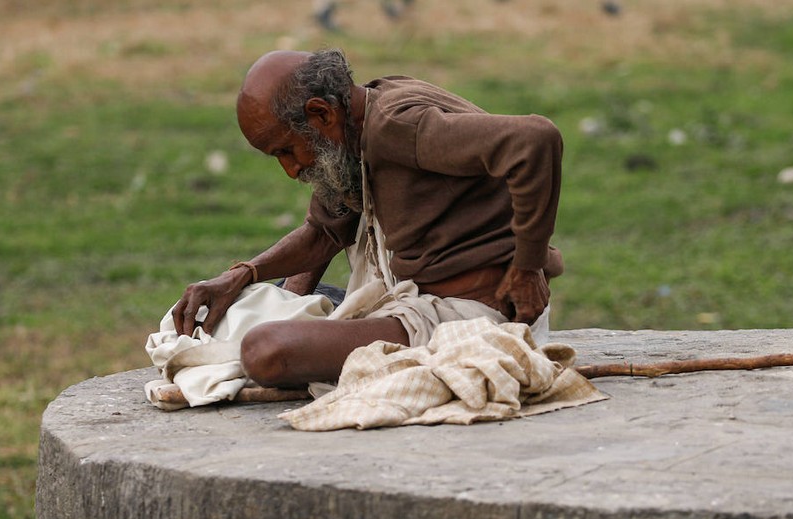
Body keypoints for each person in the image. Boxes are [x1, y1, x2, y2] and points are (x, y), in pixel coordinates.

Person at [171, 48, 564, 388]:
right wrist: (239, 276)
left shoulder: (396, 125)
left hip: (469, 321)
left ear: (321, 113)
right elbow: (324, 231)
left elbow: (535, 140)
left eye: (286, 151)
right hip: (419, 301)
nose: (290, 170)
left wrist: (527, 269)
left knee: (263, 352)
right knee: (220, 320)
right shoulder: (356, 122)